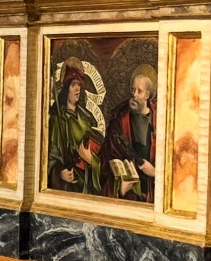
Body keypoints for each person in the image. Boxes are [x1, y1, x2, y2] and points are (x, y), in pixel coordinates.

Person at [47, 63, 104, 194]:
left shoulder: (84, 116)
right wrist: (59, 172)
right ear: (67, 89)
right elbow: (52, 153)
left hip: (88, 174)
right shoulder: (58, 119)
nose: (77, 89)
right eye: (73, 85)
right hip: (72, 180)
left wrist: (93, 160)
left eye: (79, 85)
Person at [105, 65, 158, 203]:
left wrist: (155, 172)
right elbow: (108, 160)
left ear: (147, 95)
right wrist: (120, 187)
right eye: (133, 90)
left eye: (139, 91)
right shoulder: (120, 121)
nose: (134, 95)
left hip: (153, 194)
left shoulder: (161, 119)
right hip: (129, 194)